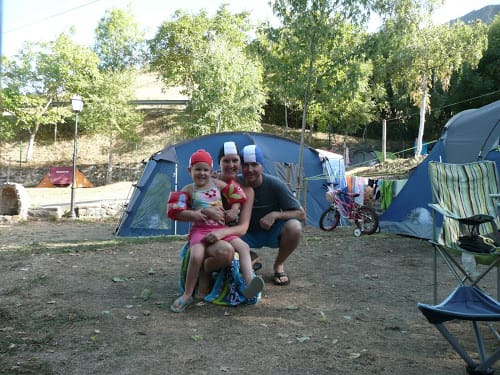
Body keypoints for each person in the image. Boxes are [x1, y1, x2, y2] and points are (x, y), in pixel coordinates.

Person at [167, 149, 263, 313]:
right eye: (198, 169)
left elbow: (237, 194)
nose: (202, 173)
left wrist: (234, 209)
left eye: (205, 170)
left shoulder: (217, 184)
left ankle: (249, 284)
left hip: (220, 228)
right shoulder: (188, 190)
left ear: (211, 172)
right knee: (196, 255)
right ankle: (188, 294)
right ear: (189, 170)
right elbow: (175, 211)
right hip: (200, 230)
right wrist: (200, 213)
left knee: (243, 247)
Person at [239, 144, 305, 286]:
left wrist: (275, 214)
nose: (250, 170)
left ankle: (279, 265)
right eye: (245, 165)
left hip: (270, 233)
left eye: (254, 164)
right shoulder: (235, 183)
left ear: (262, 165)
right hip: (243, 235)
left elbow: (301, 214)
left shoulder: (275, 184)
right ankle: (250, 256)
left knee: (295, 227)